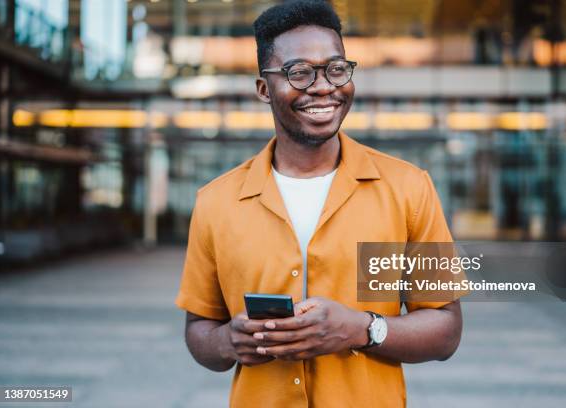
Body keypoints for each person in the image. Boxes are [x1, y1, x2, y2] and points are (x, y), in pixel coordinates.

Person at [175, 1, 463, 407]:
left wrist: (362, 329)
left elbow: (446, 330)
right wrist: (227, 341)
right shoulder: (216, 202)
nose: (324, 85)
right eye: (299, 73)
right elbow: (198, 331)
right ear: (264, 88)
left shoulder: (409, 189)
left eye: (336, 68)